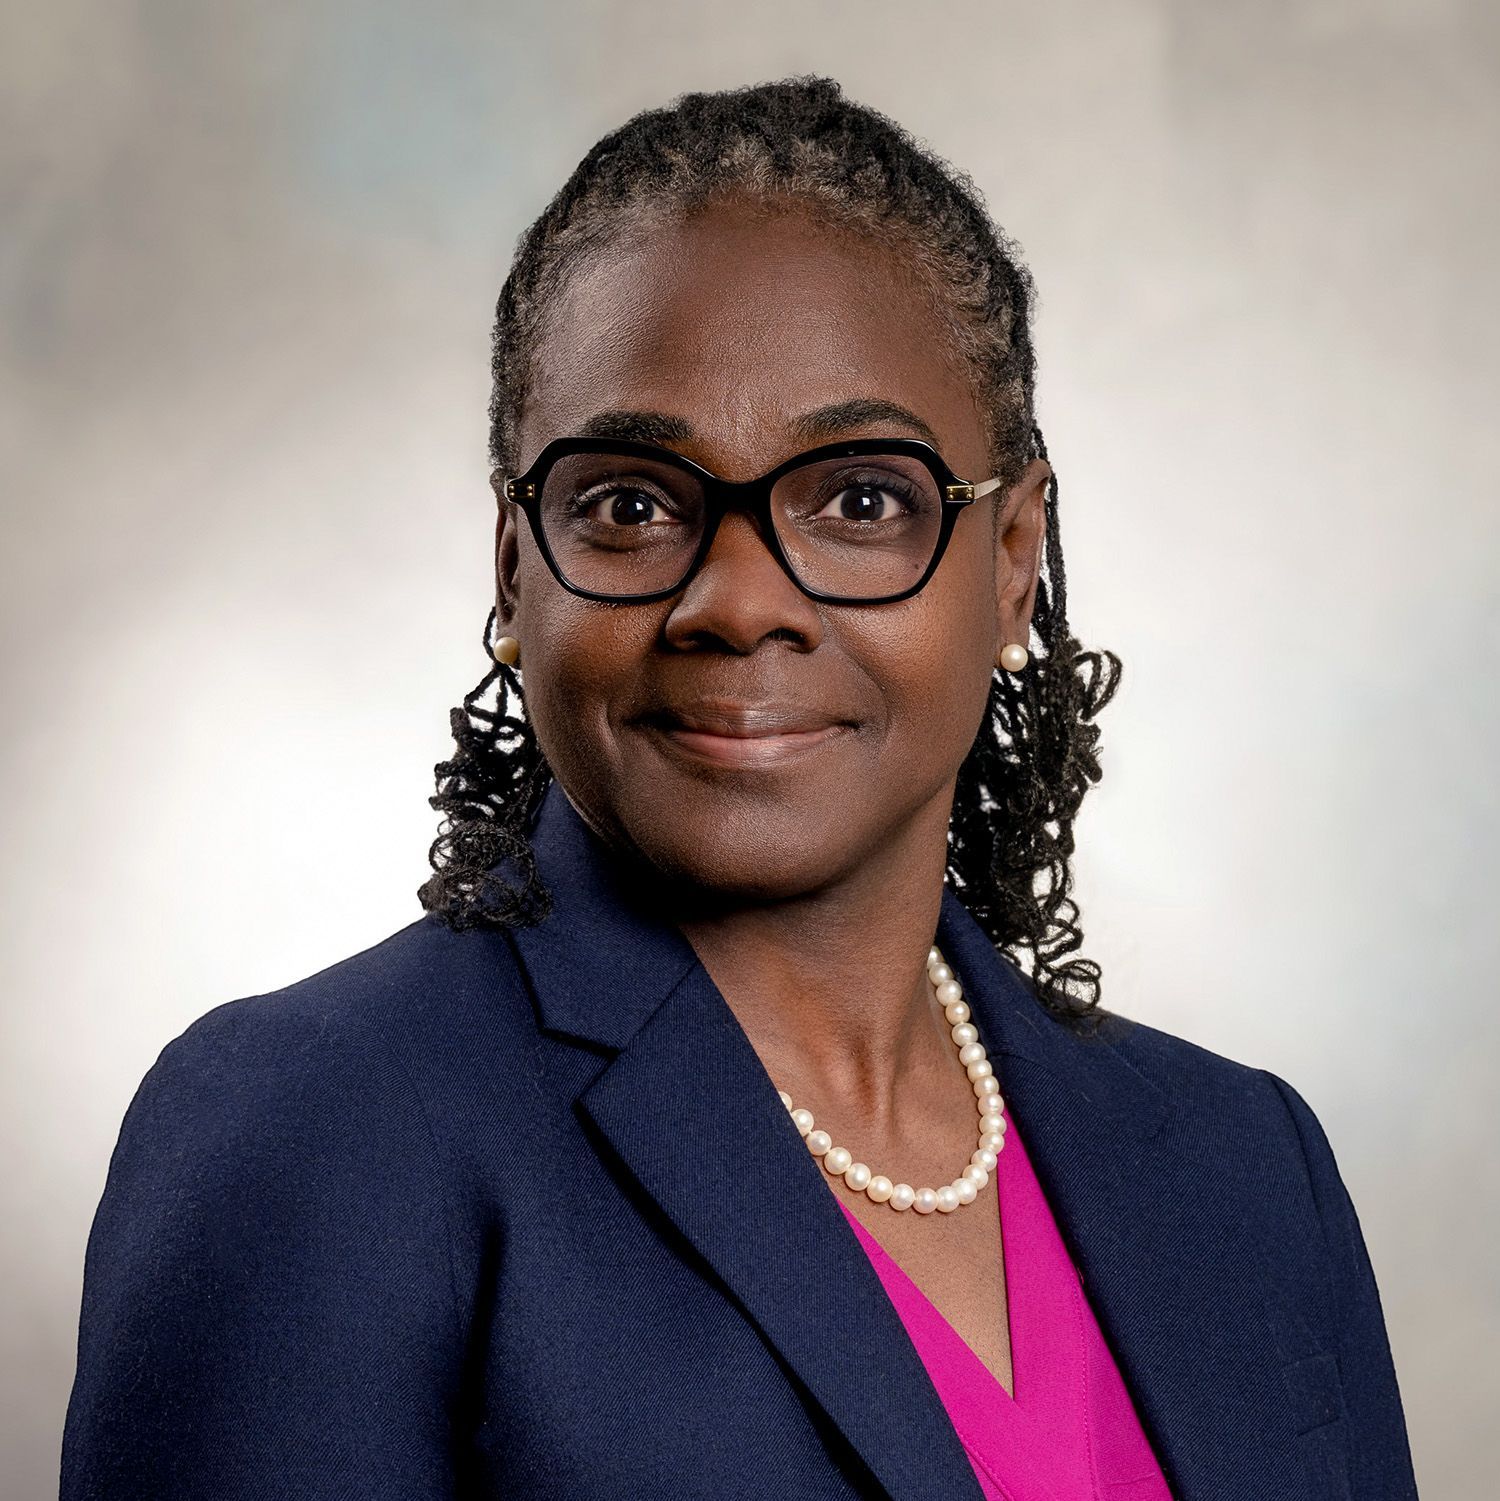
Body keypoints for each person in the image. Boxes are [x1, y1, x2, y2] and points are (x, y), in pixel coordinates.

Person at [60, 77, 1418, 1500]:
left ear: (1013, 556)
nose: (740, 601)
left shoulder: (1246, 1169)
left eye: (860, 498)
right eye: (633, 504)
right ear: (515, 566)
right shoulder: (315, 1136)